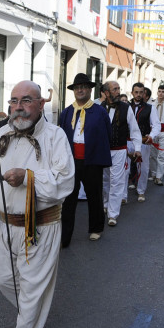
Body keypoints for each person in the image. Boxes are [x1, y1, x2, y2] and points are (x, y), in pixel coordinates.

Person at [0, 80, 75, 328]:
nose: (18, 107)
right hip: (2, 226)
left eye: (27, 100)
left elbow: (65, 181)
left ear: (41, 103)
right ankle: (31, 317)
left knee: (31, 289)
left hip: (40, 226)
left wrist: (28, 177)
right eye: (14, 100)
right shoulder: (2, 134)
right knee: (7, 281)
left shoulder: (56, 137)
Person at [59, 73, 111, 245]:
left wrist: (100, 156)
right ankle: (65, 236)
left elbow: (107, 135)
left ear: (90, 89)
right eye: (77, 87)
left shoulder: (100, 112)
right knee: (68, 199)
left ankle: (96, 228)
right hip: (72, 161)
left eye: (83, 87)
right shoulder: (66, 112)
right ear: (73, 91)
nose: (80, 90)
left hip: (92, 160)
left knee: (94, 196)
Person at [101, 81, 141, 226]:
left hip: (119, 150)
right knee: (105, 180)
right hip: (103, 150)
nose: (118, 91)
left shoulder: (126, 108)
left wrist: (137, 148)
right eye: (115, 89)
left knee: (116, 181)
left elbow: (134, 129)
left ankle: (113, 214)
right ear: (106, 93)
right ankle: (106, 203)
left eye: (118, 89)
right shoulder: (99, 108)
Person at [129, 82, 160, 202]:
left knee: (143, 167)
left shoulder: (150, 108)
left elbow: (156, 125)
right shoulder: (125, 106)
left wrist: (151, 136)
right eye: (136, 92)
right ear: (132, 92)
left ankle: (141, 191)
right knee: (124, 169)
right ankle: (122, 195)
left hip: (143, 141)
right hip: (127, 141)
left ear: (144, 94)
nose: (138, 94)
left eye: (141, 92)